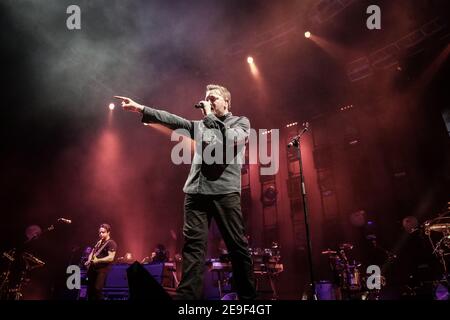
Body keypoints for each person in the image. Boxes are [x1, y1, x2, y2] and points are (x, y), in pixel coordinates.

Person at [115, 84, 256, 300]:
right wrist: (142, 109)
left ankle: (248, 299)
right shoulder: (200, 125)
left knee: (237, 246)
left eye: (213, 98)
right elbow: (174, 120)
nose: (208, 101)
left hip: (224, 192)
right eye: (206, 98)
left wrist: (209, 117)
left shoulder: (240, 123)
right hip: (195, 193)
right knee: (193, 249)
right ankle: (186, 299)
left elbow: (227, 141)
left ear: (227, 102)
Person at [85, 223, 117, 300]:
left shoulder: (111, 243)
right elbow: (92, 252)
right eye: (100, 232)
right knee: (90, 291)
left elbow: (111, 258)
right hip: (92, 269)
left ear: (108, 232)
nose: (101, 234)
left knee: (97, 290)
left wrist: (98, 260)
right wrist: (89, 261)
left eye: (103, 232)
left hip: (101, 270)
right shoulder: (98, 242)